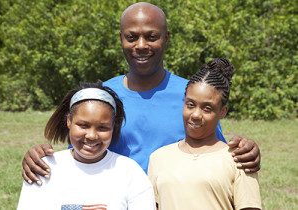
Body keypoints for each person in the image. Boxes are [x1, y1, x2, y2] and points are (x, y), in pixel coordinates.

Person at [21, 2, 261, 185]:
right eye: (132, 37)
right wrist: (40, 157)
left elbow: (216, 151)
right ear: (121, 39)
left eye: (152, 36)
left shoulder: (192, 97)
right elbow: (81, 153)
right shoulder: (103, 96)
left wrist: (245, 150)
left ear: (166, 38)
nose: (141, 45)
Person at [17, 82, 156, 210]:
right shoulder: (45, 167)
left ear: (113, 127)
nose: (91, 135)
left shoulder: (130, 172)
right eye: (83, 125)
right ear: (69, 121)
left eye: (102, 128)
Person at [148, 58, 262, 210]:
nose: (196, 114)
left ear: (223, 111)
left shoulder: (239, 159)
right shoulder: (158, 158)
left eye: (207, 108)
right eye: (190, 104)